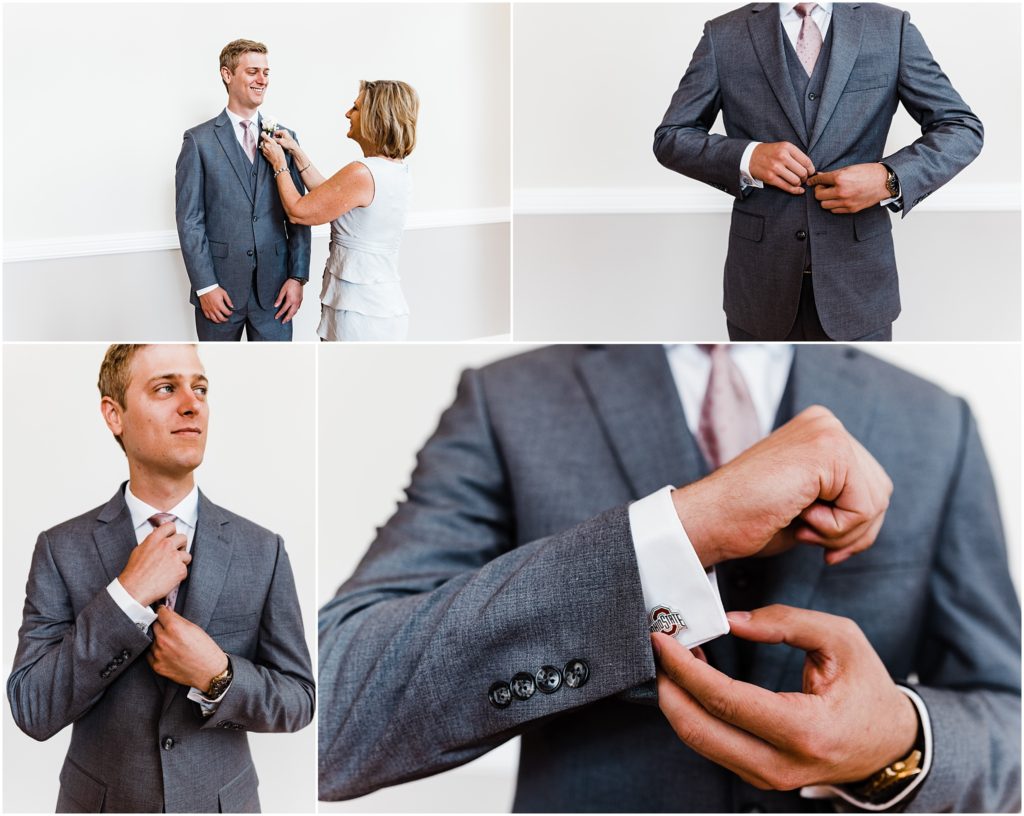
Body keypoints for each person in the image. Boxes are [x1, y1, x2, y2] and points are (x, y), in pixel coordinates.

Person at [317, 344, 1020, 812]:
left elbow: (1010, 717)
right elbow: (340, 706)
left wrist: (902, 742)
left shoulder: (935, 422)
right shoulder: (507, 401)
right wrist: (686, 528)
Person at [8, 344, 314, 812]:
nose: (191, 403)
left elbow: (298, 699)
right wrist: (125, 599)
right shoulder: (59, 548)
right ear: (115, 415)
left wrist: (218, 676)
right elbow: (33, 707)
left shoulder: (262, 550)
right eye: (165, 388)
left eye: (201, 388)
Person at [653, 3, 983, 342]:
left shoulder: (891, 28)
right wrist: (747, 157)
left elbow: (961, 128)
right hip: (760, 289)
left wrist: (887, 179)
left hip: (859, 291)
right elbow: (671, 137)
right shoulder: (723, 34)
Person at [259, 80, 417, 342]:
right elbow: (330, 196)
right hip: (376, 305)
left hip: (361, 311)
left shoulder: (362, 172)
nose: (347, 114)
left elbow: (300, 211)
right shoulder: (393, 170)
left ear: (374, 117)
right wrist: (297, 153)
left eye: (356, 108)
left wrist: (279, 164)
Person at [175, 39, 311, 341]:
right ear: (227, 74)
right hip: (219, 292)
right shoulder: (198, 142)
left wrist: (297, 276)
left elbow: (299, 213)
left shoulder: (286, 138)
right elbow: (189, 221)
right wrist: (206, 286)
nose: (262, 80)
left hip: (276, 293)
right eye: (252, 71)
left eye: (266, 72)